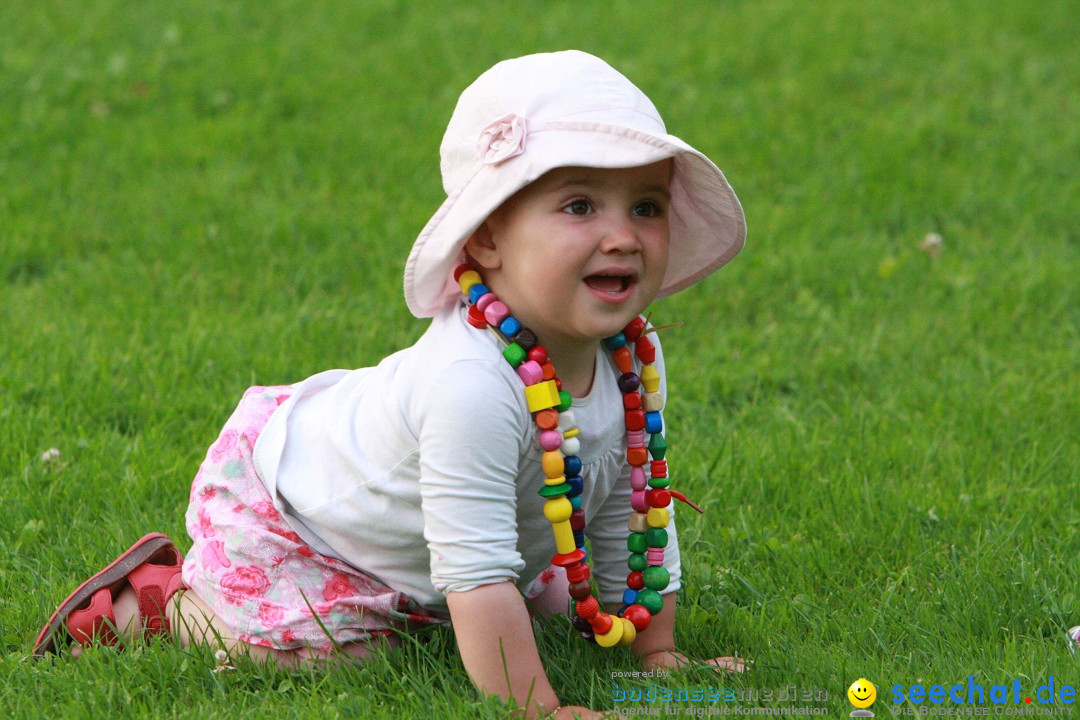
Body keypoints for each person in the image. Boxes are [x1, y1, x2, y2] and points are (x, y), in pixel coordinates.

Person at [33, 50, 747, 719]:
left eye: (646, 206)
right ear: (488, 239)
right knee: (338, 652)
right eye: (580, 206)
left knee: (558, 595)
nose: (622, 236)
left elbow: (635, 503)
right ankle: (163, 604)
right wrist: (540, 706)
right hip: (309, 523)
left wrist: (659, 654)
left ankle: (468, 610)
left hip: (451, 534)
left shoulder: (629, 356)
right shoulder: (471, 384)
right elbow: (474, 571)